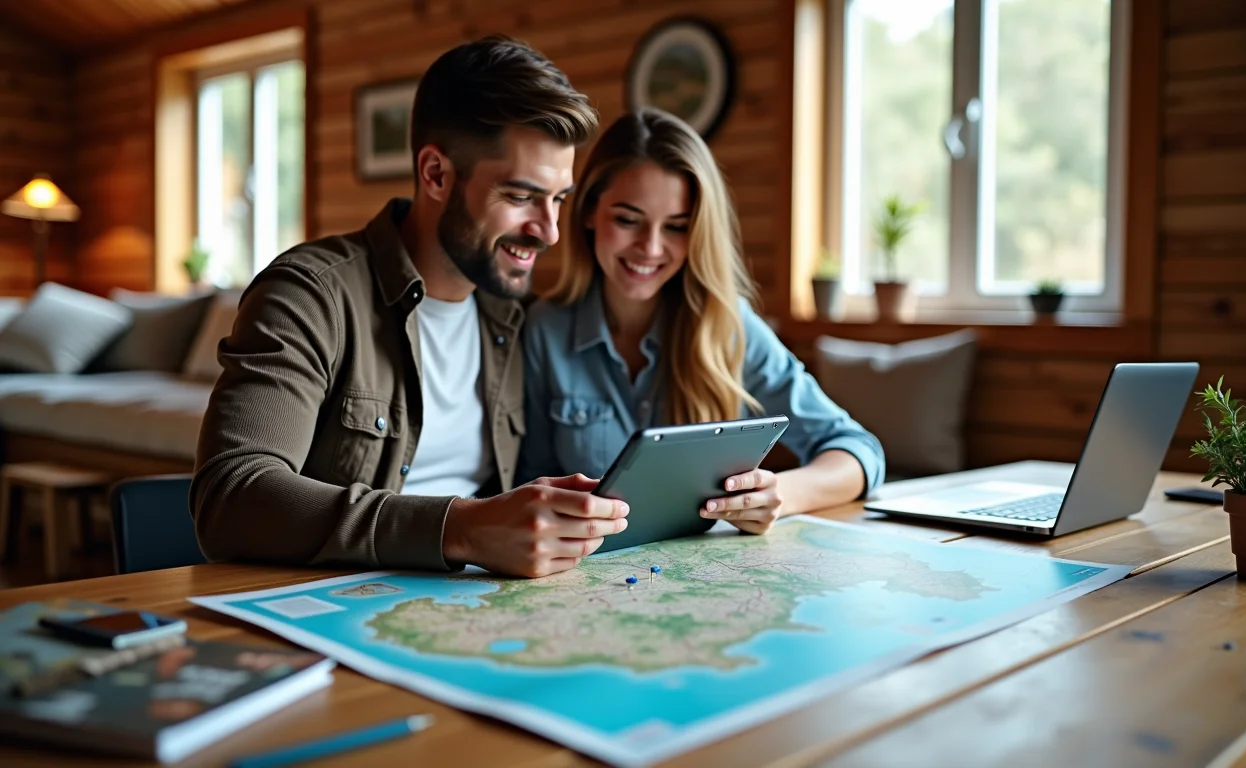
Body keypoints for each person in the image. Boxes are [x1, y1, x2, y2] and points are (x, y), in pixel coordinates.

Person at [191, 35, 631, 579]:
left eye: (558, 199)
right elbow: (230, 497)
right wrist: (460, 529)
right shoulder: (310, 295)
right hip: (331, 607)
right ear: (436, 175)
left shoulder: (518, 316)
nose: (549, 231)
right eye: (521, 197)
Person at [517, 108, 886, 534]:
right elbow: (528, 486)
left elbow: (859, 452)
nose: (650, 248)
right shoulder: (544, 331)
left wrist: (779, 495)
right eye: (627, 219)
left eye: (676, 227)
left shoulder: (728, 327)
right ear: (588, 212)